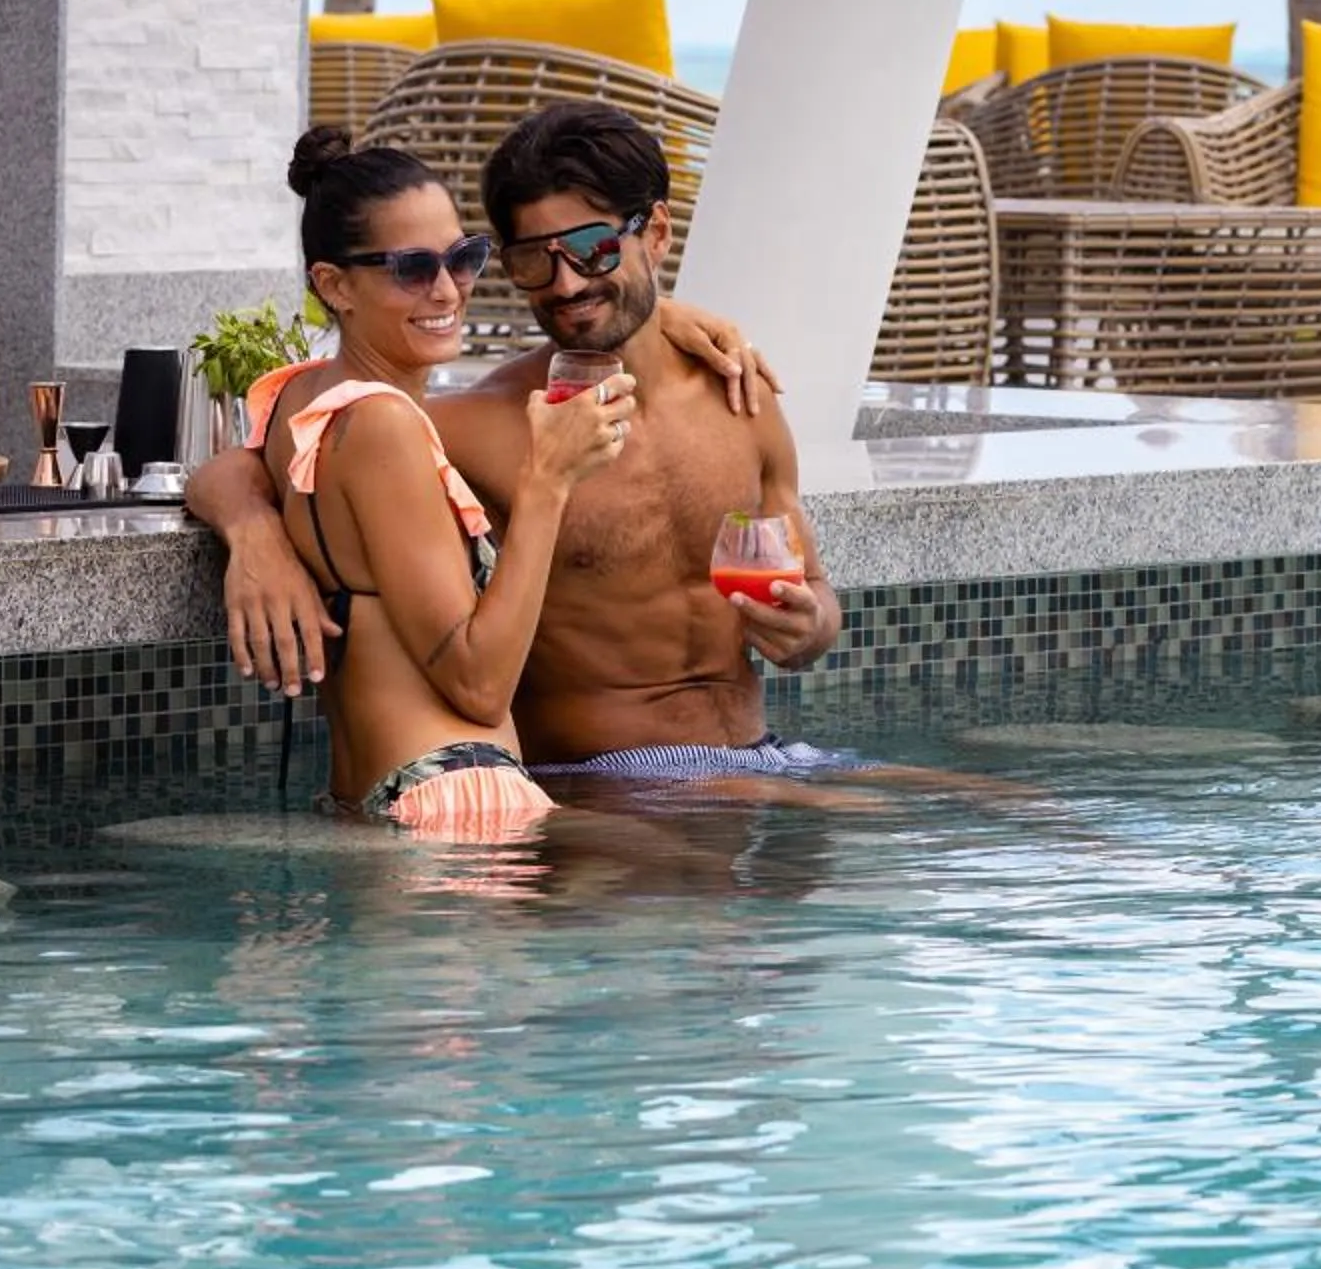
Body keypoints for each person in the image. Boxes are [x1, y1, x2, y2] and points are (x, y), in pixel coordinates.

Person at [196, 101, 846, 787]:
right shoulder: (481, 424)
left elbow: (814, 591)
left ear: (654, 233)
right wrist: (253, 534)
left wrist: (811, 630)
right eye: (536, 260)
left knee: (965, 806)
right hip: (601, 785)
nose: (567, 284)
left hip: (761, 754)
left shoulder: (740, 397)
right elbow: (269, 456)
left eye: (593, 249)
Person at [256, 128, 630, 834]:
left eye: (463, 259)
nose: (446, 290)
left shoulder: (294, 399)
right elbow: (478, 683)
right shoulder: (383, 425)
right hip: (458, 799)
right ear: (333, 286)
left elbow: (228, 469)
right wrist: (549, 479)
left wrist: (250, 532)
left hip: (386, 801)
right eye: (411, 269)